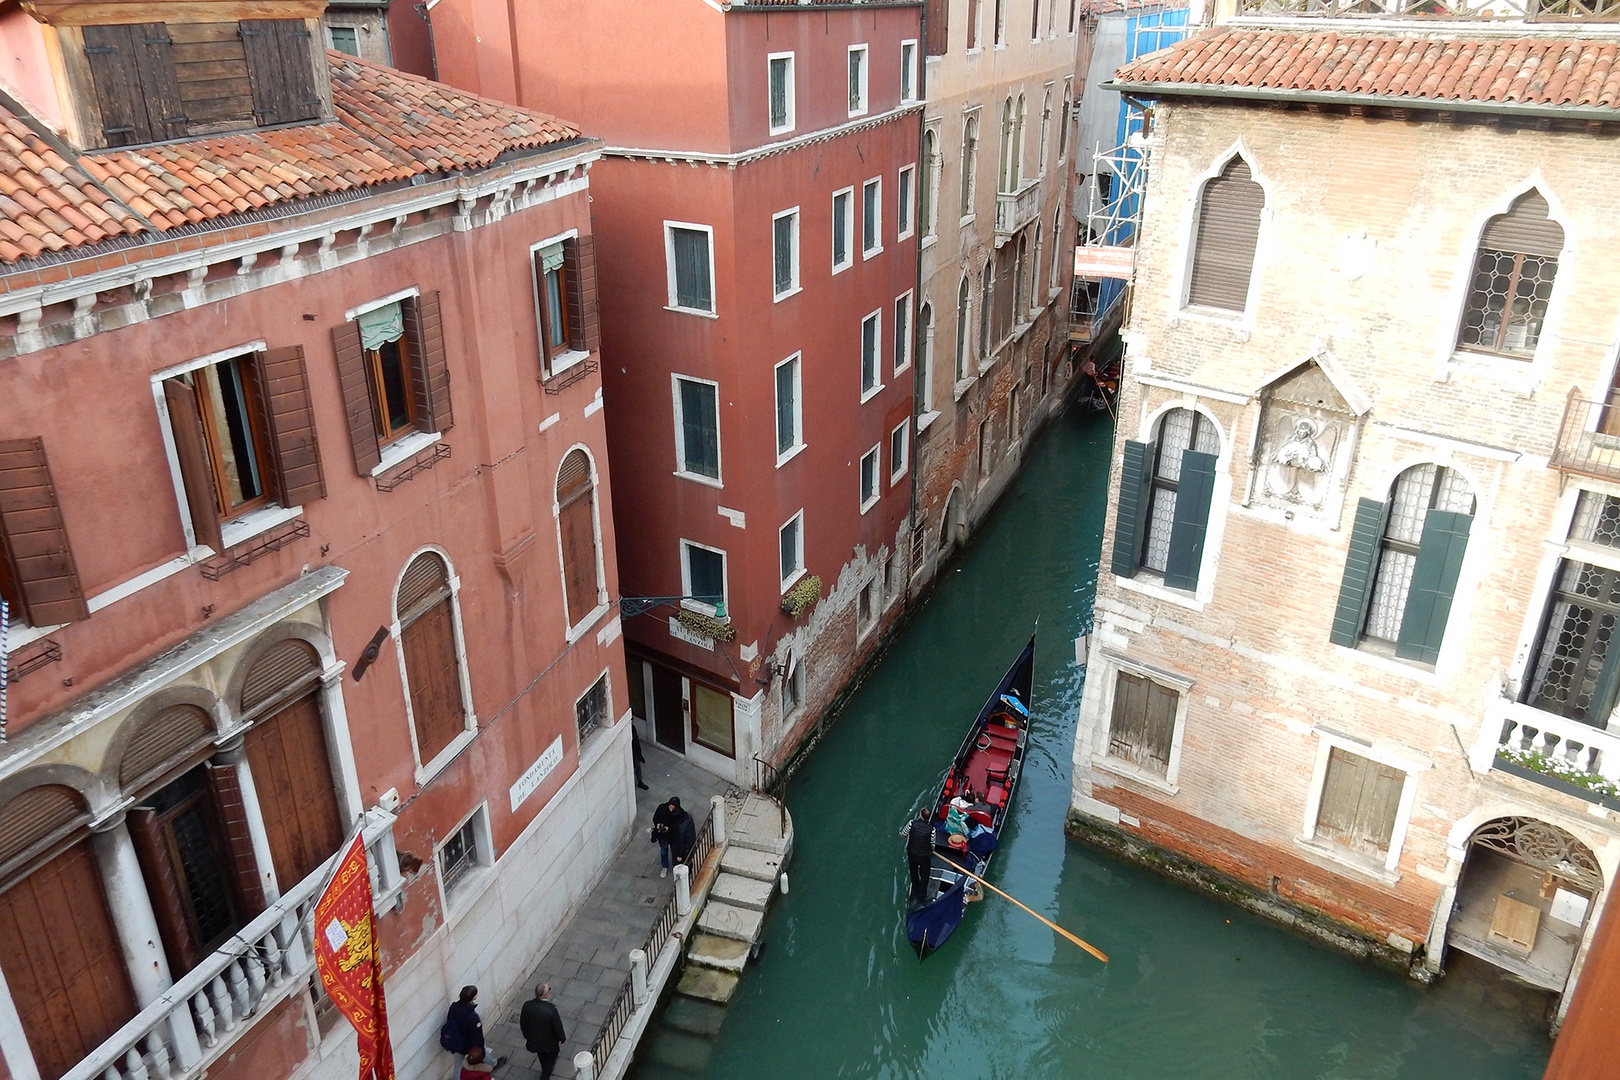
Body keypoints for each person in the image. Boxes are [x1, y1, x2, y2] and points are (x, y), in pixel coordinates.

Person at [519, 982, 568, 1080]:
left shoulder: (527, 1005)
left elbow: (523, 1023)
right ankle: (545, 1076)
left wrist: (527, 1036)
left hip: (534, 1040)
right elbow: (557, 1028)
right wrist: (562, 1038)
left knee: (542, 1055)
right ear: (545, 995)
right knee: (554, 1053)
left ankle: (545, 1069)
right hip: (549, 1042)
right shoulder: (551, 1010)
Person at [443, 985, 485, 1079]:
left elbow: (450, 1019)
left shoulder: (454, 1006)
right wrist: (479, 1049)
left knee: (459, 1061)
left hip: (457, 1039)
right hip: (467, 1044)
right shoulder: (473, 1016)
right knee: (460, 1063)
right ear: (474, 997)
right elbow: (477, 1036)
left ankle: (494, 1062)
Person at [902, 807, 934, 901]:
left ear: (920, 814)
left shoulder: (911, 823)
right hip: (924, 856)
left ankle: (915, 890)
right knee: (925, 875)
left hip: (911, 852)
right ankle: (921, 896)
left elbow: (904, 834)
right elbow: (932, 845)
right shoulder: (931, 830)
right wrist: (931, 850)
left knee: (913, 871)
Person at [651, 797, 684, 878]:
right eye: (671, 806)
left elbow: (679, 825)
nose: (671, 809)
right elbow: (655, 818)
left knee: (674, 851)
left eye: (673, 807)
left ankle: (675, 866)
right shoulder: (661, 808)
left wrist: (669, 828)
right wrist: (658, 824)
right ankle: (665, 866)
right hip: (663, 835)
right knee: (663, 851)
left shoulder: (679, 813)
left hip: (673, 835)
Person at [631, 725, 649, 790]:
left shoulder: (632, 727)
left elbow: (636, 741)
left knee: (638, 766)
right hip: (630, 750)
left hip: (635, 751)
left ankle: (640, 781)